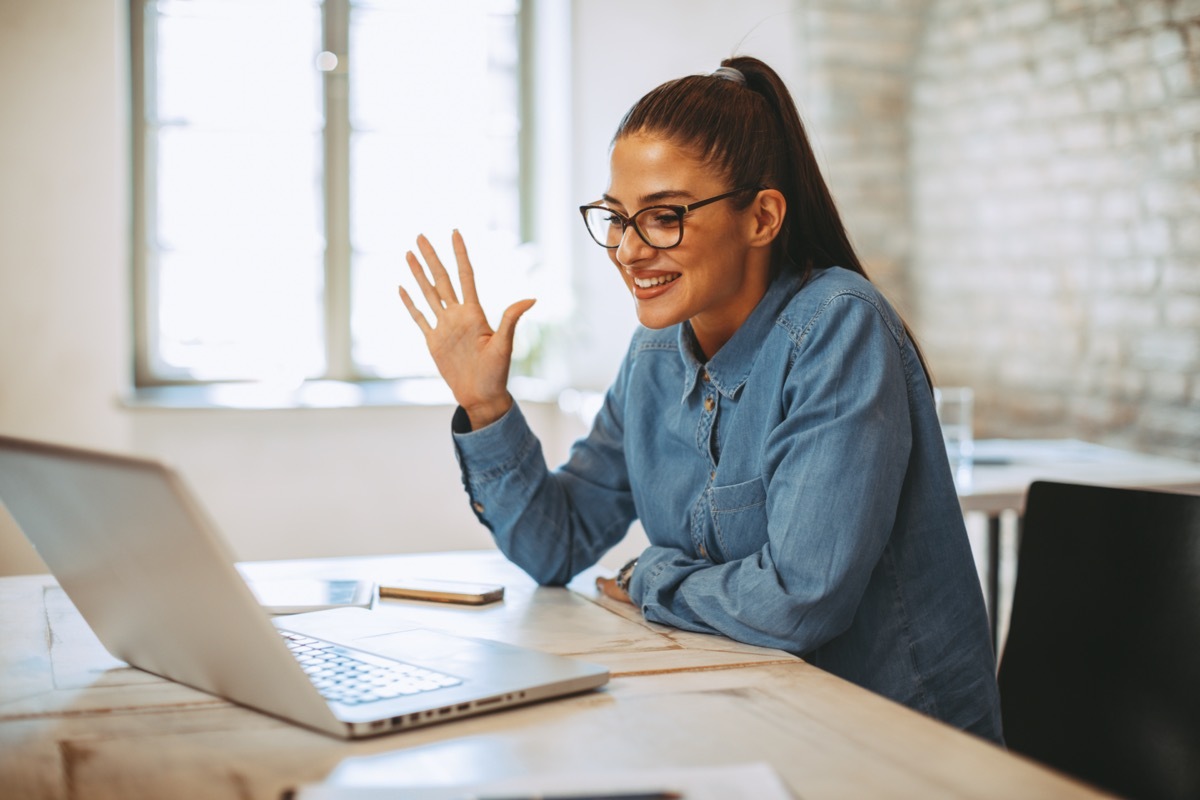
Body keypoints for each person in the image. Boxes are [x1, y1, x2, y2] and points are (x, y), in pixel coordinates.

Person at [398, 56, 1004, 744]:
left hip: (891, 747)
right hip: (745, 718)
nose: (628, 250)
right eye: (617, 219)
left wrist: (655, 574)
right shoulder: (654, 355)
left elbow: (799, 602)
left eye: (663, 217)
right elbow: (556, 544)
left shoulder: (837, 324)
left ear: (763, 217)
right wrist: (485, 406)